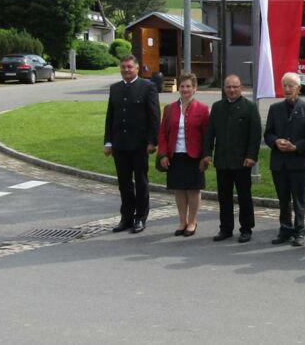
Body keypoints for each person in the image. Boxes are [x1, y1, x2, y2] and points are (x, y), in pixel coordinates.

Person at [104, 55, 160, 234]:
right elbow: (110, 116)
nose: (126, 70)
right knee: (124, 183)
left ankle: (141, 217)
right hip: (119, 143)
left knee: (141, 182)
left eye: (129, 67)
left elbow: (154, 116)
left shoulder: (147, 87)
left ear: (137, 68)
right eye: (123, 67)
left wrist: (152, 141)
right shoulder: (115, 88)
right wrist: (108, 141)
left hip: (140, 144)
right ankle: (126, 217)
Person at [203, 74, 261, 243]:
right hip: (222, 160)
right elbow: (210, 133)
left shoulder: (249, 108)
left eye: (235, 87)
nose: (232, 90)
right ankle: (226, 228)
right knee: (224, 197)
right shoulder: (217, 107)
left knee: (244, 196)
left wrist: (252, 156)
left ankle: (246, 228)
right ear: (224, 88)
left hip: (242, 161)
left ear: (241, 88)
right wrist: (207, 153)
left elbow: (255, 135)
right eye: (228, 87)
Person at [265, 72, 305, 247]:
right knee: (283, 199)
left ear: (298, 88)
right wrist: (275, 142)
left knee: (299, 200)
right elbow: (268, 134)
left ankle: (299, 231)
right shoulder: (275, 108)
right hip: (279, 163)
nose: (287, 89)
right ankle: (285, 229)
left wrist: (296, 147)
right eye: (284, 85)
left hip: (298, 162)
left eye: (290, 86)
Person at [157, 73, 210, 237]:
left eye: (188, 86)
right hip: (175, 155)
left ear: (194, 89)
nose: (185, 89)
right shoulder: (169, 109)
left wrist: (206, 156)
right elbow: (162, 134)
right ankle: (182, 221)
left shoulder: (203, 109)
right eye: (182, 86)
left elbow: (207, 136)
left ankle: (192, 221)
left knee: (193, 190)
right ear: (178, 88)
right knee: (179, 189)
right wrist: (163, 154)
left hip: (194, 156)